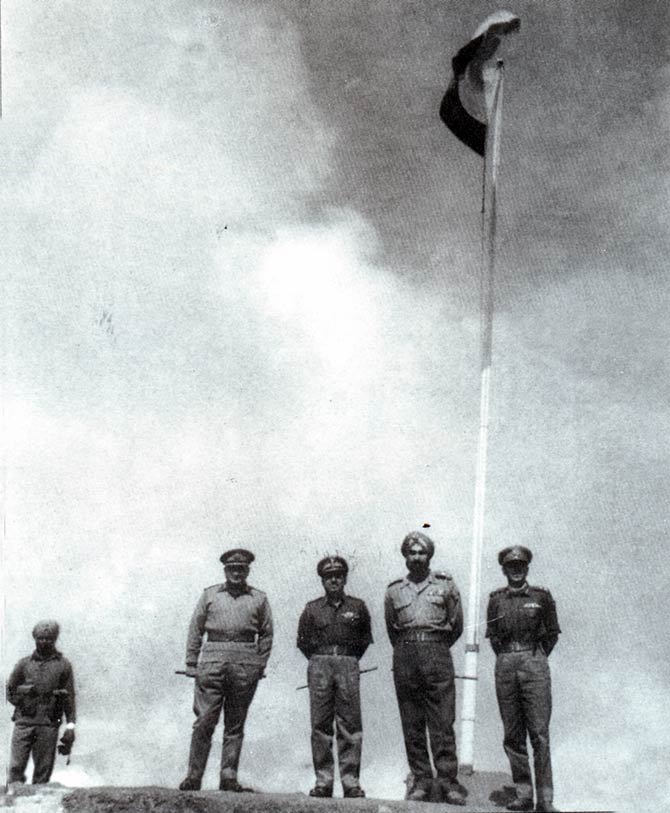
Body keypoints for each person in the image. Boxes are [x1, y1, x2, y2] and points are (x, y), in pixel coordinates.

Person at [179, 548, 273, 792]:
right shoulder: (210, 595)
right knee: (204, 720)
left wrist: (259, 664)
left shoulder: (259, 598)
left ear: (248, 571)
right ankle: (193, 776)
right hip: (212, 659)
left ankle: (228, 776)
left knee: (235, 722)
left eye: (241, 569)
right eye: (232, 569)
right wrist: (191, 662)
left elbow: (266, 633)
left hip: (245, 661)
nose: (236, 573)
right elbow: (196, 628)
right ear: (225, 570)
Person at [384, 531, 466, 805]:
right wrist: (411, 646)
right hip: (406, 655)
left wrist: (434, 645)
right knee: (412, 722)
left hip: (437, 653)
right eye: (411, 553)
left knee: (442, 722)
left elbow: (456, 625)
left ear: (429, 556)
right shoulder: (394, 590)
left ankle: (447, 783)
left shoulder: (446, 585)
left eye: (421, 553)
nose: (416, 558)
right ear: (405, 556)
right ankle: (420, 780)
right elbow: (392, 629)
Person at [486, 546, 561, 813]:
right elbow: (494, 637)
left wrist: (535, 658)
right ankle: (523, 793)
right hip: (506, 663)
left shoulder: (541, 597)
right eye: (511, 566)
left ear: (527, 568)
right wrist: (510, 656)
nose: (516, 571)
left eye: (520, 566)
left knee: (539, 734)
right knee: (513, 734)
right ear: (504, 570)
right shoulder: (496, 600)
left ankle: (546, 798)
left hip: (534, 662)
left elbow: (552, 633)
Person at [297, 556, 372, 799]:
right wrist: (322, 658)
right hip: (319, 663)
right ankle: (323, 781)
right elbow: (303, 642)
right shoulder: (312, 608)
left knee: (350, 724)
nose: (334, 580)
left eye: (338, 575)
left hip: (348, 663)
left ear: (345, 578)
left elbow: (364, 641)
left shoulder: (357, 607)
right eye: (329, 576)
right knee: (320, 724)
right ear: (322, 580)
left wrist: (346, 658)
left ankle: (351, 783)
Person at [6, 620, 76, 785]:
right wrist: (22, 701)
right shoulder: (24, 664)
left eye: (49, 638)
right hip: (24, 723)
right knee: (16, 768)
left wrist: (70, 726)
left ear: (55, 640)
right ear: (35, 639)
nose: (44, 642)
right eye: (41, 638)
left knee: (43, 771)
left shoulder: (63, 665)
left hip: (48, 724)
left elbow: (69, 698)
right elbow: (9, 689)